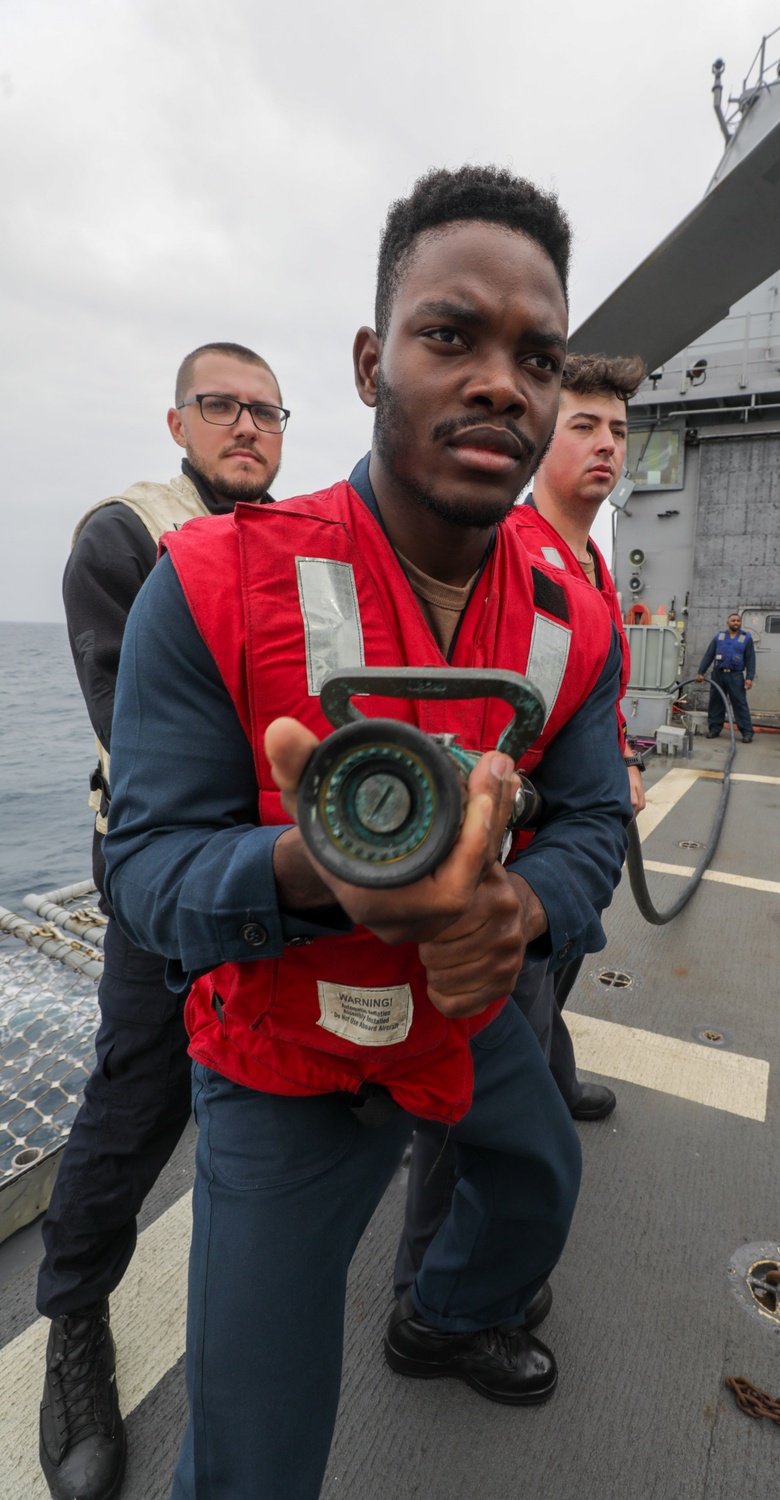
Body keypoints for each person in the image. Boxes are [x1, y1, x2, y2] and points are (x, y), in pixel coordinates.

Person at [102, 165, 632, 1500]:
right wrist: (303, 868)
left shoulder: (577, 623)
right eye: (451, 335)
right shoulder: (211, 586)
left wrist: (522, 913)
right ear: (368, 361)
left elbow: (595, 818)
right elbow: (147, 865)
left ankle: (443, 1311)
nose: (504, 383)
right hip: (284, 1058)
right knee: (254, 1450)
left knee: (542, 1176)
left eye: (538, 355)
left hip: (466, 1018)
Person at [38, 343, 286, 1500]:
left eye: (265, 410)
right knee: (136, 1093)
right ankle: (75, 1324)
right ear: (177, 422)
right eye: (221, 406)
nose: (247, 426)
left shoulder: (305, 550)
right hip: (168, 867)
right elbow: (136, 725)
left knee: (301, 1067)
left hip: (287, 863)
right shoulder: (125, 539)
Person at [392, 351, 647, 1304]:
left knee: (547, 1010)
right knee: (469, 1100)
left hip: (563, 854)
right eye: (584, 425)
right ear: (542, 437)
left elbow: (585, 695)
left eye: (618, 430)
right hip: (507, 871)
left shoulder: (588, 562)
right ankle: (429, 1286)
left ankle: (556, 1078)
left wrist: (612, 771)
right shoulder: (512, 557)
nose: (605, 447)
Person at [695, 612, 756, 741]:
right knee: (716, 702)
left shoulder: (746, 638)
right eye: (733, 620)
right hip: (718, 675)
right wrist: (701, 672)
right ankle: (714, 729)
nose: (736, 623)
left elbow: (751, 659)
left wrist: (749, 677)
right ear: (728, 623)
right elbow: (709, 655)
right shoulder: (719, 637)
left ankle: (747, 732)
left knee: (740, 703)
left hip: (735, 676)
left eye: (738, 621)